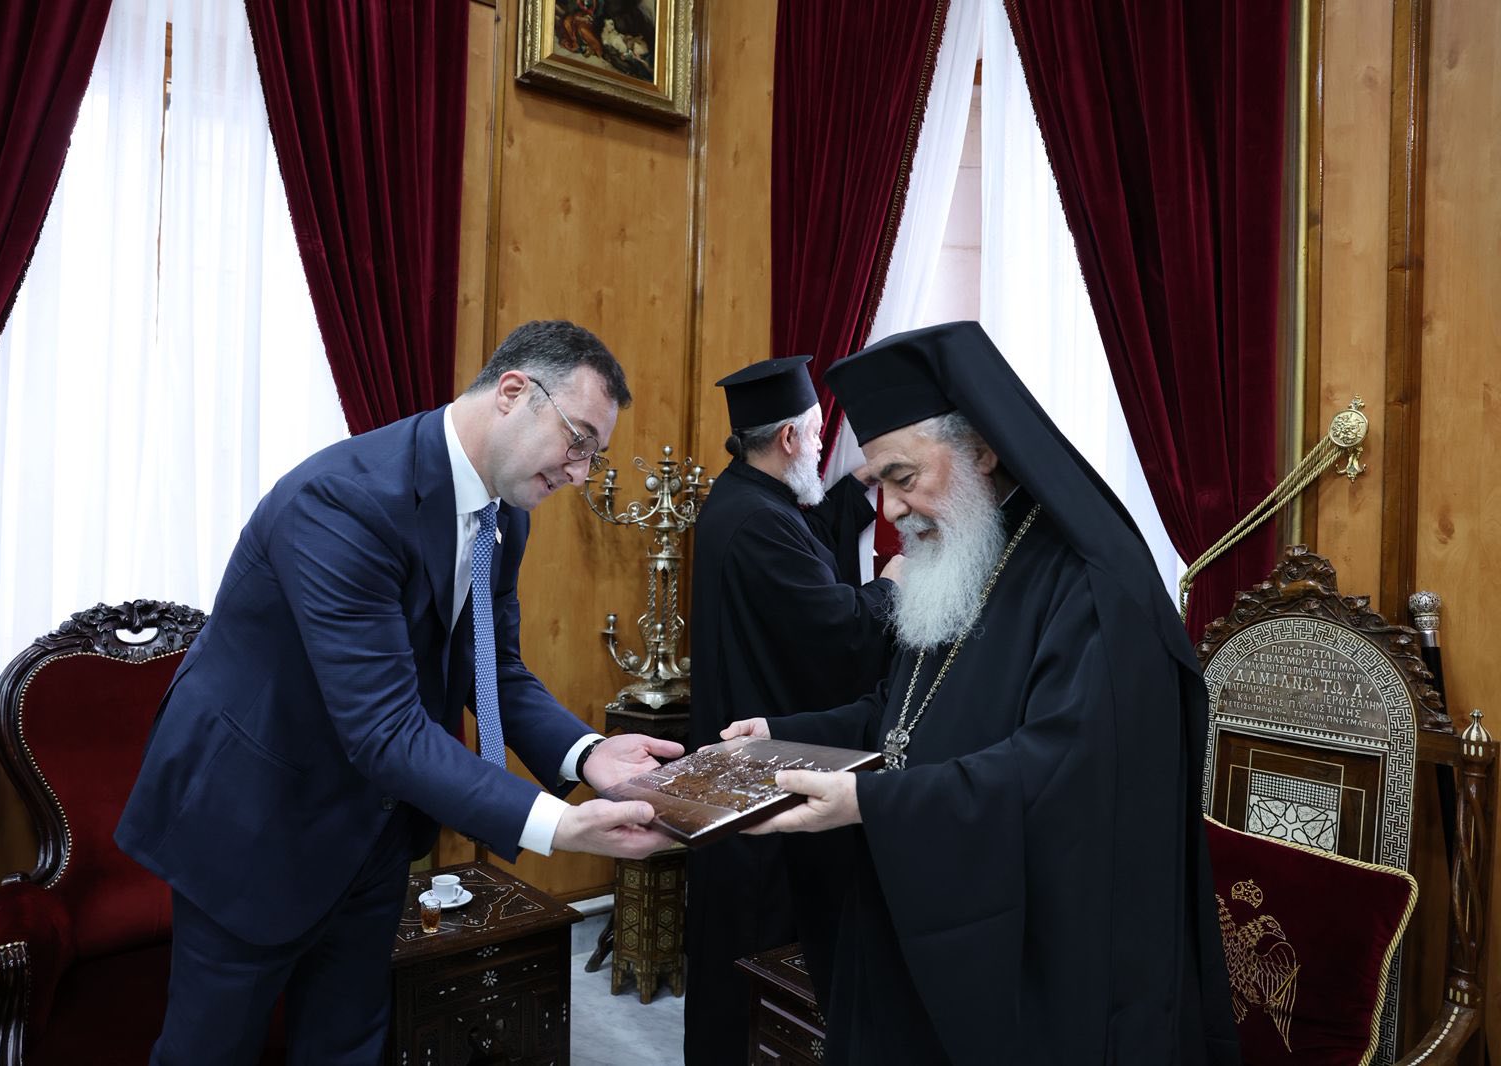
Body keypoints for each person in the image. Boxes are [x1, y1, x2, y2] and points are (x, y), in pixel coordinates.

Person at [116, 320, 683, 1064]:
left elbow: (493, 669)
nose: (580, 474)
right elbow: (384, 728)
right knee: (210, 1051)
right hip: (254, 819)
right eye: (578, 441)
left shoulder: (504, 515)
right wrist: (560, 827)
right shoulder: (342, 502)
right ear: (514, 392)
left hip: (374, 826)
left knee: (349, 1044)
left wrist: (589, 755)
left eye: (594, 456)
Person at [722, 322, 1240, 1065]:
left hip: (1040, 960)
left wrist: (872, 803)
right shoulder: (962, 556)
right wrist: (785, 734)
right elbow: (902, 715)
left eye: (903, 477)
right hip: (928, 909)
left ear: (982, 450)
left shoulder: (1089, 586)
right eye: (880, 485)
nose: (889, 511)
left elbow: (1065, 772)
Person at [684, 356, 899, 1065]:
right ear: (787, 439)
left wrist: (861, 487)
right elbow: (837, 633)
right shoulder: (758, 522)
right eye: (815, 434)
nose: (821, 444)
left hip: (745, 757)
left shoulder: (743, 498)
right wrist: (895, 587)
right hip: (763, 773)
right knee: (756, 947)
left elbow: (810, 540)